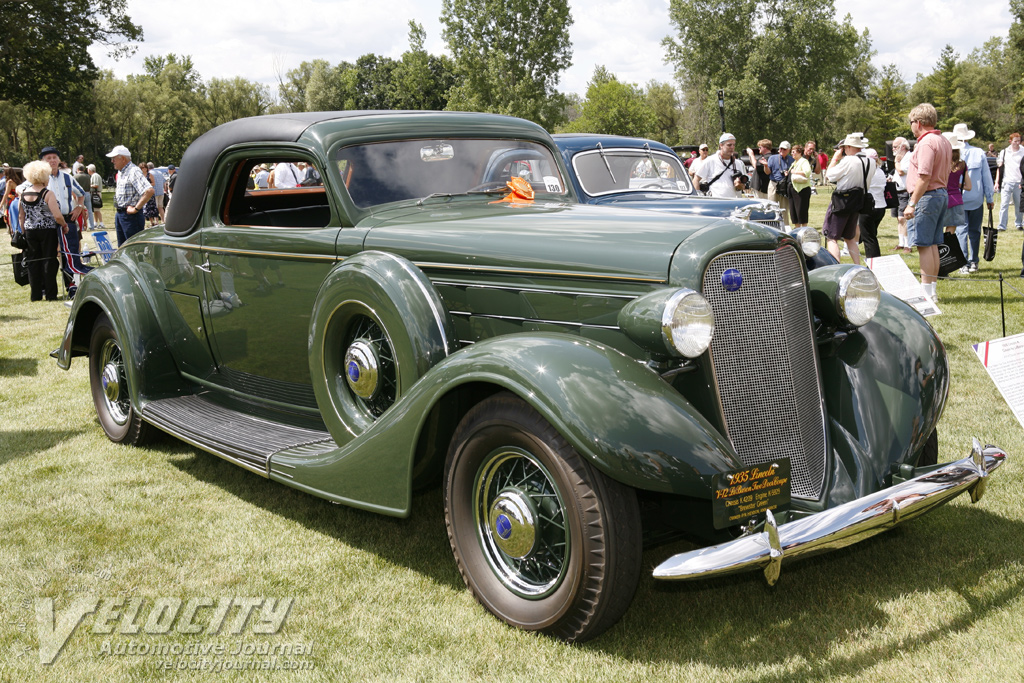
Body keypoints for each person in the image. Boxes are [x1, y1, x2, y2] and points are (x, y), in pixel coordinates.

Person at [905, 105, 952, 303]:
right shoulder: (943, 140)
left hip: (927, 195)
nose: (911, 127)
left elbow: (924, 177)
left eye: (911, 123)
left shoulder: (926, 143)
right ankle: (931, 291)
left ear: (919, 123)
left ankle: (925, 294)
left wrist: (912, 203)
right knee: (932, 244)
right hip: (940, 194)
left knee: (924, 245)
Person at [39, 146, 89, 295]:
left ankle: (71, 286)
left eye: (55, 157)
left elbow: (81, 193)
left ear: (59, 160)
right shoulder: (40, 178)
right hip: (47, 221)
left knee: (70, 253)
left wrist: (79, 207)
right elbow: (23, 190)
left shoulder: (68, 177)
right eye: (48, 158)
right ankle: (46, 287)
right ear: (42, 161)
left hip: (67, 219)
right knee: (48, 254)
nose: (52, 161)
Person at [19, 160, 69, 301]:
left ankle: (35, 295)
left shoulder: (22, 193)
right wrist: (65, 225)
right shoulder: (47, 193)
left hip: (30, 232)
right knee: (49, 261)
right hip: (47, 231)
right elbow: (57, 215)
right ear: (43, 177)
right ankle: (51, 294)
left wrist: (23, 232)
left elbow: (21, 216)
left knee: (33, 262)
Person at [824, 132, 874, 264]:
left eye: (845, 147)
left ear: (850, 147)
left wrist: (835, 158)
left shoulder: (848, 160)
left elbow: (829, 175)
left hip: (842, 201)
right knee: (850, 238)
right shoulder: (871, 161)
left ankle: (836, 266)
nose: (844, 150)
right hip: (858, 201)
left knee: (831, 237)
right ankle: (857, 265)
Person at [953, 122, 994, 272]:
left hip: (958, 198)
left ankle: (963, 263)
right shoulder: (979, 152)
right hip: (976, 197)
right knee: (974, 231)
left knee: (961, 231)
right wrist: (990, 198)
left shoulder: (951, 153)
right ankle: (974, 261)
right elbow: (986, 177)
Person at [106, 144, 153, 246]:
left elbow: (149, 191)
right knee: (123, 249)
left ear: (123, 158)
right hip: (121, 215)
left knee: (133, 250)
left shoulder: (133, 171)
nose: (112, 161)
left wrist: (135, 209)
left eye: (114, 158)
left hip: (131, 217)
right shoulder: (122, 172)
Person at [940, 133, 973, 273]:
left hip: (941, 199)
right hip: (956, 200)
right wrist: (956, 184)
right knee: (950, 234)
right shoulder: (962, 165)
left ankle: (938, 263)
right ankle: (948, 264)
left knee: (937, 234)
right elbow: (969, 186)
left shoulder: (941, 163)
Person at [692, 133, 747, 198]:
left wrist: (739, 186)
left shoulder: (738, 163)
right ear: (721, 145)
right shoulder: (710, 160)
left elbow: (743, 186)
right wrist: (698, 197)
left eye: (733, 145)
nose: (732, 147)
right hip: (716, 204)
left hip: (734, 204)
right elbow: (696, 179)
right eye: (729, 145)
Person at [857, 149, 887, 259]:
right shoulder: (880, 171)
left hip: (869, 207)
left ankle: (873, 261)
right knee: (872, 235)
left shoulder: (868, 171)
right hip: (881, 206)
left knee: (869, 238)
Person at [995, 132, 1023, 231]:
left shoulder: (1023, 151)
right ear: (1010, 141)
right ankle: (1002, 226)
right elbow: (999, 168)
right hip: (1007, 182)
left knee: (1019, 205)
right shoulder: (1004, 152)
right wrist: (996, 182)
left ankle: (1019, 224)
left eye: (1019, 140)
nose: (1018, 143)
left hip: (1019, 182)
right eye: (1015, 141)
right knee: (1004, 204)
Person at [890, 137, 912, 253]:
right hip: (896, 190)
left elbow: (901, 171)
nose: (893, 149)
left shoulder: (909, 157)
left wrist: (896, 162)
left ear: (903, 146)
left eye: (895, 146)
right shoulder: (899, 158)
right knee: (898, 219)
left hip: (904, 191)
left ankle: (908, 244)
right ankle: (901, 243)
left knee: (902, 218)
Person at [767, 141, 793, 224]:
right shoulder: (772, 158)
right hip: (774, 184)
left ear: (788, 150)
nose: (782, 150)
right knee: (771, 207)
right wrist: (765, 166)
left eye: (784, 149)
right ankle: (771, 225)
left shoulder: (792, 159)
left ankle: (785, 227)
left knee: (784, 209)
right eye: (780, 148)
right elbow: (767, 172)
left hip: (785, 185)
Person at [788, 143, 812, 228]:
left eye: (793, 152)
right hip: (793, 189)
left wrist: (795, 172)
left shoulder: (804, 161)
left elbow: (807, 172)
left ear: (799, 152)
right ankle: (797, 229)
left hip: (802, 190)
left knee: (802, 211)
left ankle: (804, 229)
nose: (792, 154)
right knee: (793, 212)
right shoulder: (794, 162)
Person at [74, 163, 95, 230]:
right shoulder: (88, 176)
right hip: (87, 193)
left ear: (77, 169)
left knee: (80, 210)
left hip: (79, 194)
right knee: (89, 210)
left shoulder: (75, 177)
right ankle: (91, 225)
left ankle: (82, 226)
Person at [88, 164, 104, 228]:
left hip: (96, 194)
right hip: (95, 193)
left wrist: (88, 185)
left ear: (90, 170)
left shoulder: (95, 176)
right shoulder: (94, 175)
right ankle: (95, 223)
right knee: (95, 210)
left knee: (97, 210)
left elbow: (96, 185)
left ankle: (101, 223)